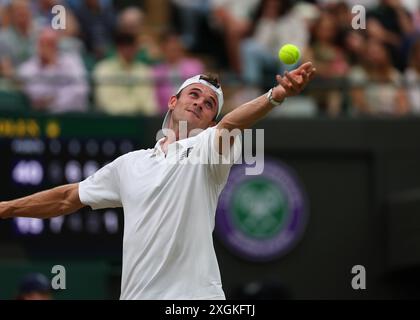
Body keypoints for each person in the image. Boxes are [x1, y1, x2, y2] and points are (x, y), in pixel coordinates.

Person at [0, 63, 316, 299]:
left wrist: (277, 95)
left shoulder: (210, 148)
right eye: (194, 95)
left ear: (211, 121)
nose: (199, 103)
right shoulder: (130, 164)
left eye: (209, 105)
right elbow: (68, 197)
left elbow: (233, 122)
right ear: (172, 102)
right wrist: (6, 208)